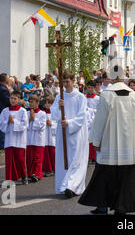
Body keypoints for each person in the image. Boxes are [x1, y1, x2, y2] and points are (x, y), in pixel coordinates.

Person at [79, 66, 135, 215]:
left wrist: (96, 141)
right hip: (128, 144)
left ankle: (103, 205)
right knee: (125, 176)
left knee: (105, 175)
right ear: (123, 77)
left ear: (112, 77)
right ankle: (121, 206)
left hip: (110, 143)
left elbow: (100, 120)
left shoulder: (106, 95)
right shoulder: (133, 95)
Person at [51, 70, 89, 198]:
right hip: (63, 132)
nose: (65, 84)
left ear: (73, 81)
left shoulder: (80, 97)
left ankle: (73, 186)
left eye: (67, 81)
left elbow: (82, 116)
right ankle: (65, 184)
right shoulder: (59, 97)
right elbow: (54, 114)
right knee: (64, 158)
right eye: (64, 82)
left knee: (76, 160)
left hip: (76, 132)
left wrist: (69, 122)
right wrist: (60, 107)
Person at [0, 91, 29, 184]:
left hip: (19, 140)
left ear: (19, 100)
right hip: (9, 139)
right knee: (9, 160)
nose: (13, 100)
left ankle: (23, 176)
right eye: (11, 98)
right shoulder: (5, 111)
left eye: (15, 98)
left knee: (20, 159)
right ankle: (9, 178)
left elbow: (25, 125)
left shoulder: (22, 111)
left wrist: (13, 121)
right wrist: (7, 122)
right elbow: (1, 125)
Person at [26, 95, 46, 183]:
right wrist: (29, 119)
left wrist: (34, 118)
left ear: (37, 103)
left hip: (38, 140)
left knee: (37, 158)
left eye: (32, 102)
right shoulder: (26, 113)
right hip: (29, 139)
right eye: (29, 102)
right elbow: (24, 126)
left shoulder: (42, 113)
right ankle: (30, 173)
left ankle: (37, 174)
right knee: (30, 158)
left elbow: (41, 126)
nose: (30, 104)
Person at [86, 81, 99, 164]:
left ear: (95, 88)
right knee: (87, 139)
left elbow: (99, 110)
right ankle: (87, 156)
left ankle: (93, 156)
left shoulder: (97, 98)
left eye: (91, 88)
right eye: (88, 87)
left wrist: (90, 111)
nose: (90, 89)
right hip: (86, 121)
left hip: (94, 120)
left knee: (93, 139)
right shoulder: (84, 98)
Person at [43, 96, 57, 177]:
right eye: (46, 103)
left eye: (49, 103)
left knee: (52, 152)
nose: (47, 105)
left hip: (52, 137)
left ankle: (55, 168)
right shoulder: (43, 113)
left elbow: (57, 124)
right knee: (46, 153)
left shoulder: (54, 113)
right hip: (45, 135)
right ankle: (47, 169)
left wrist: (51, 124)